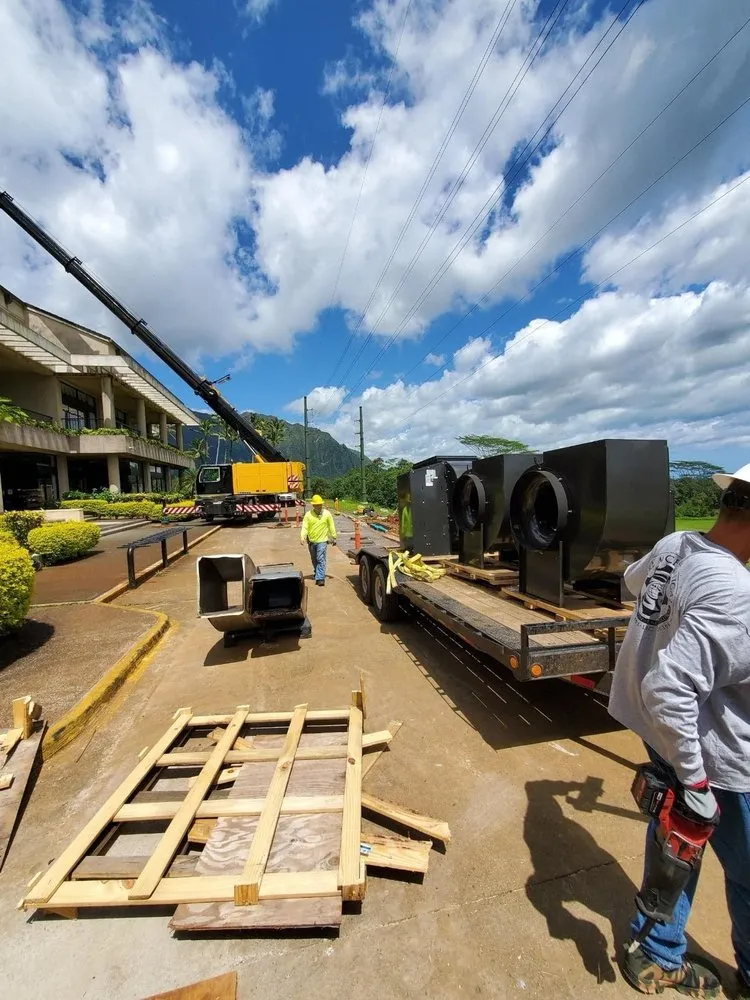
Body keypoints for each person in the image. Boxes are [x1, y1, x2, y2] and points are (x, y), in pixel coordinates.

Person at [609, 463, 750, 998]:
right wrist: (695, 783)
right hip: (720, 759)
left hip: (663, 734)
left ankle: (655, 952)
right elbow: (672, 690)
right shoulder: (735, 589)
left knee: (676, 843)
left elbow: (630, 582)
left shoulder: (678, 544)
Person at [300, 494, 337, 586]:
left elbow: (331, 525)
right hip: (312, 541)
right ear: (313, 505)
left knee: (320, 558)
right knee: (314, 559)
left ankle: (320, 578)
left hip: (322, 541)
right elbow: (305, 527)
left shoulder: (327, 514)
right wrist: (302, 537)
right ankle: (317, 572)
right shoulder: (308, 515)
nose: (319, 506)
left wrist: (334, 536)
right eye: (317, 505)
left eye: (320, 505)